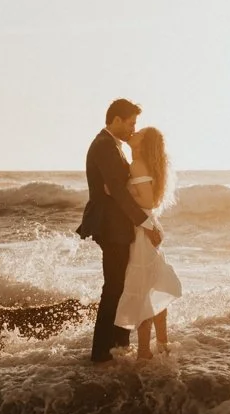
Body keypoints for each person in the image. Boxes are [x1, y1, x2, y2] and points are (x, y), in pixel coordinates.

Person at [77, 99, 162, 364]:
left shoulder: (112, 145)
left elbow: (118, 188)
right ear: (116, 120)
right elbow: (119, 192)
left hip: (117, 225)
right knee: (114, 287)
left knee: (121, 285)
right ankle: (102, 353)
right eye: (131, 123)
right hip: (110, 226)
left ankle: (117, 345)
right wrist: (147, 224)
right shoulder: (104, 146)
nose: (132, 128)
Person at [114, 127, 181, 359]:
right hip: (148, 227)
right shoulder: (146, 164)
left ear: (143, 143)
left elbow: (148, 202)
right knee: (154, 282)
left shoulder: (138, 165)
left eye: (139, 132)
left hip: (143, 230)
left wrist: (119, 193)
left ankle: (144, 351)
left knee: (144, 288)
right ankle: (162, 343)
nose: (134, 132)